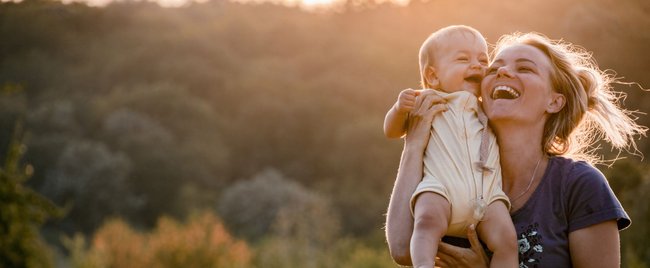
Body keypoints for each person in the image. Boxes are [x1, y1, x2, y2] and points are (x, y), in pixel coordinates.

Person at [385, 31, 646, 267]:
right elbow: (402, 249)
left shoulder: (578, 185)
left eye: (525, 69)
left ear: (554, 101)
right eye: (495, 67)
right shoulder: (450, 173)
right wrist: (414, 143)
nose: (503, 72)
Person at [383, 25, 517, 268]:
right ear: (433, 76)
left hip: (486, 194)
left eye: (483, 59)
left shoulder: (488, 106)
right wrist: (399, 109)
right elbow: (391, 131)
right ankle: (424, 264)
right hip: (441, 188)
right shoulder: (428, 99)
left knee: (508, 240)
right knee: (426, 222)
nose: (477, 65)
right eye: (463, 59)